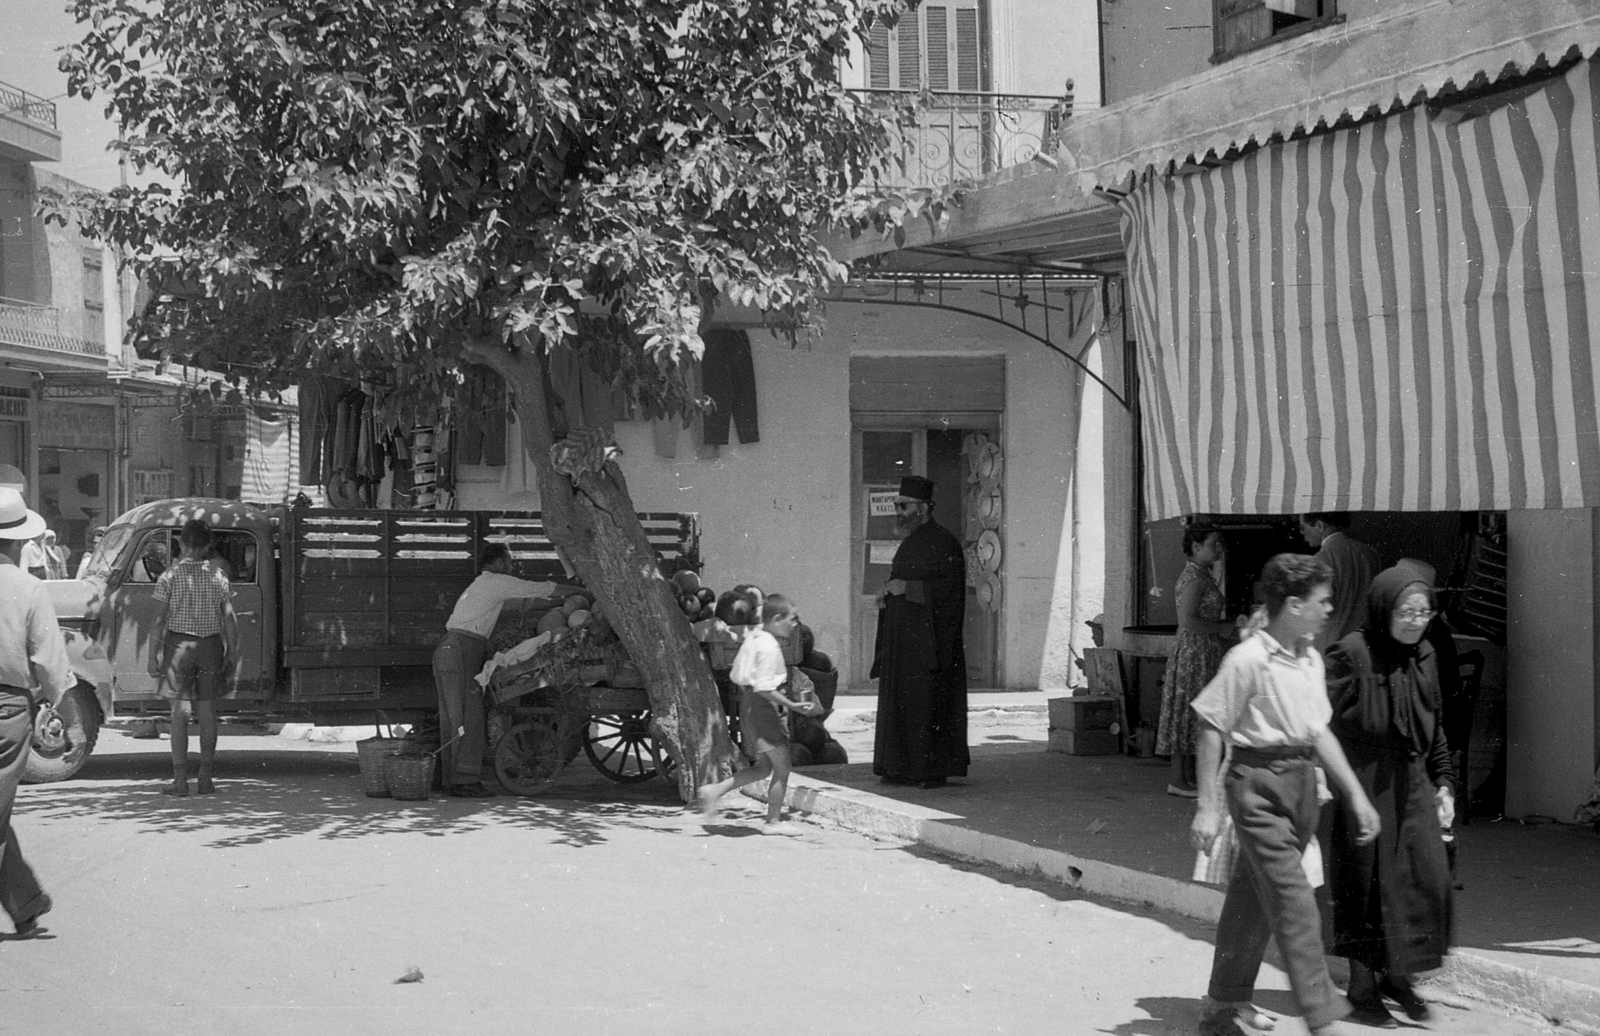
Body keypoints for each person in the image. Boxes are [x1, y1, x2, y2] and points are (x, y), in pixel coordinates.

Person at [1189, 553, 1380, 1036]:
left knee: (1251, 901)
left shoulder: (1311, 659)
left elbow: (1320, 733)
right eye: (1321, 601)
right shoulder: (1248, 659)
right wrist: (1207, 808)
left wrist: (1356, 796)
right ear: (1293, 605)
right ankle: (1323, 1018)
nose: (1328, 609)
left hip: (1302, 787)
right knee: (1295, 903)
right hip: (1257, 786)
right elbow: (1211, 727)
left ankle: (1220, 1006)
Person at [1322, 566, 1456, 1028]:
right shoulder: (1349, 655)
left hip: (1414, 785)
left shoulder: (1426, 654)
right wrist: (1347, 791)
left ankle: (1399, 977)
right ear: (1383, 608)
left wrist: (1445, 783)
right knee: (1366, 886)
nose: (1415, 620)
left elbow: (1434, 725)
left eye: (1424, 612)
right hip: (1364, 785)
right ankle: (1362, 987)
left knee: (1422, 883)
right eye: (1406, 611)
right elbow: (1323, 729)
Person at [433, 543, 567, 798]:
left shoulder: (482, 584)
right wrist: (581, 591)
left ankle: (450, 779)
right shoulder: (496, 581)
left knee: (452, 716)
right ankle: (465, 781)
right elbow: (541, 588)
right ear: (496, 563)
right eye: (508, 561)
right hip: (462, 649)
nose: (511, 566)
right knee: (469, 715)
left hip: (449, 648)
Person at [0, 488, 72, 936]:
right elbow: (50, 662)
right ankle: (24, 902)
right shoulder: (28, 589)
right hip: (7, 709)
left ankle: (25, 903)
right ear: (16, 542)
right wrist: (59, 705)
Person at [870, 475, 969, 789]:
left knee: (927, 703)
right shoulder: (911, 541)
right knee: (901, 702)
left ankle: (930, 770)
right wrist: (887, 592)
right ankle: (898, 767)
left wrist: (908, 588)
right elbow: (902, 582)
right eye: (898, 505)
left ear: (925, 507)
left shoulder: (944, 541)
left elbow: (950, 589)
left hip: (931, 643)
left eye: (904, 506)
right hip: (903, 641)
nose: (899, 511)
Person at [694, 595, 822, 833]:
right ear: (776, 619)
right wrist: (792, 706)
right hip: (763, 709)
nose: (795, 625)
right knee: (783, 767)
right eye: (792, 619)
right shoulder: (769, 647)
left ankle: (714, 791)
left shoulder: (755, 637)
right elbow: (765, 688)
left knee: (764, 767)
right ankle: (772, 821)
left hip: (752, 706)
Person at [149, 519, 238, 796]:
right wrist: (232, 652)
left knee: (179, 713)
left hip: (178, 647)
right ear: (208, 545)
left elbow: (159, 620)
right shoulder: (218, 575)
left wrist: (152, 654)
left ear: (182, 544)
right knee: (207, 712)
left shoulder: (169, 576)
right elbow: (230, 619)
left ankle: (179, 780)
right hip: (210, 646)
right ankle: (206, 778)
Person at [1157, 526, 1237, 798]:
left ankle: (1187, 777)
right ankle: (1178, 779)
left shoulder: (1203, 576)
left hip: (1204, 651)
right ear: (1195, 546)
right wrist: (1220, 629)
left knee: (1197, 711)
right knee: (1187, 711)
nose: (1218, 549)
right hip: (1194, 652)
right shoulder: (1193, 577)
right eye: (1213, 543)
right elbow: (1188, 621)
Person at [1299, 512, 1380, 653]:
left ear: (1319, 525)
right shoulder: (1370, 554)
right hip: (1365, 648)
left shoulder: (1320, 559)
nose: (1302, 533)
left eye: (1302, 527)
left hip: (1330, 648)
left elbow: (1316, 611)